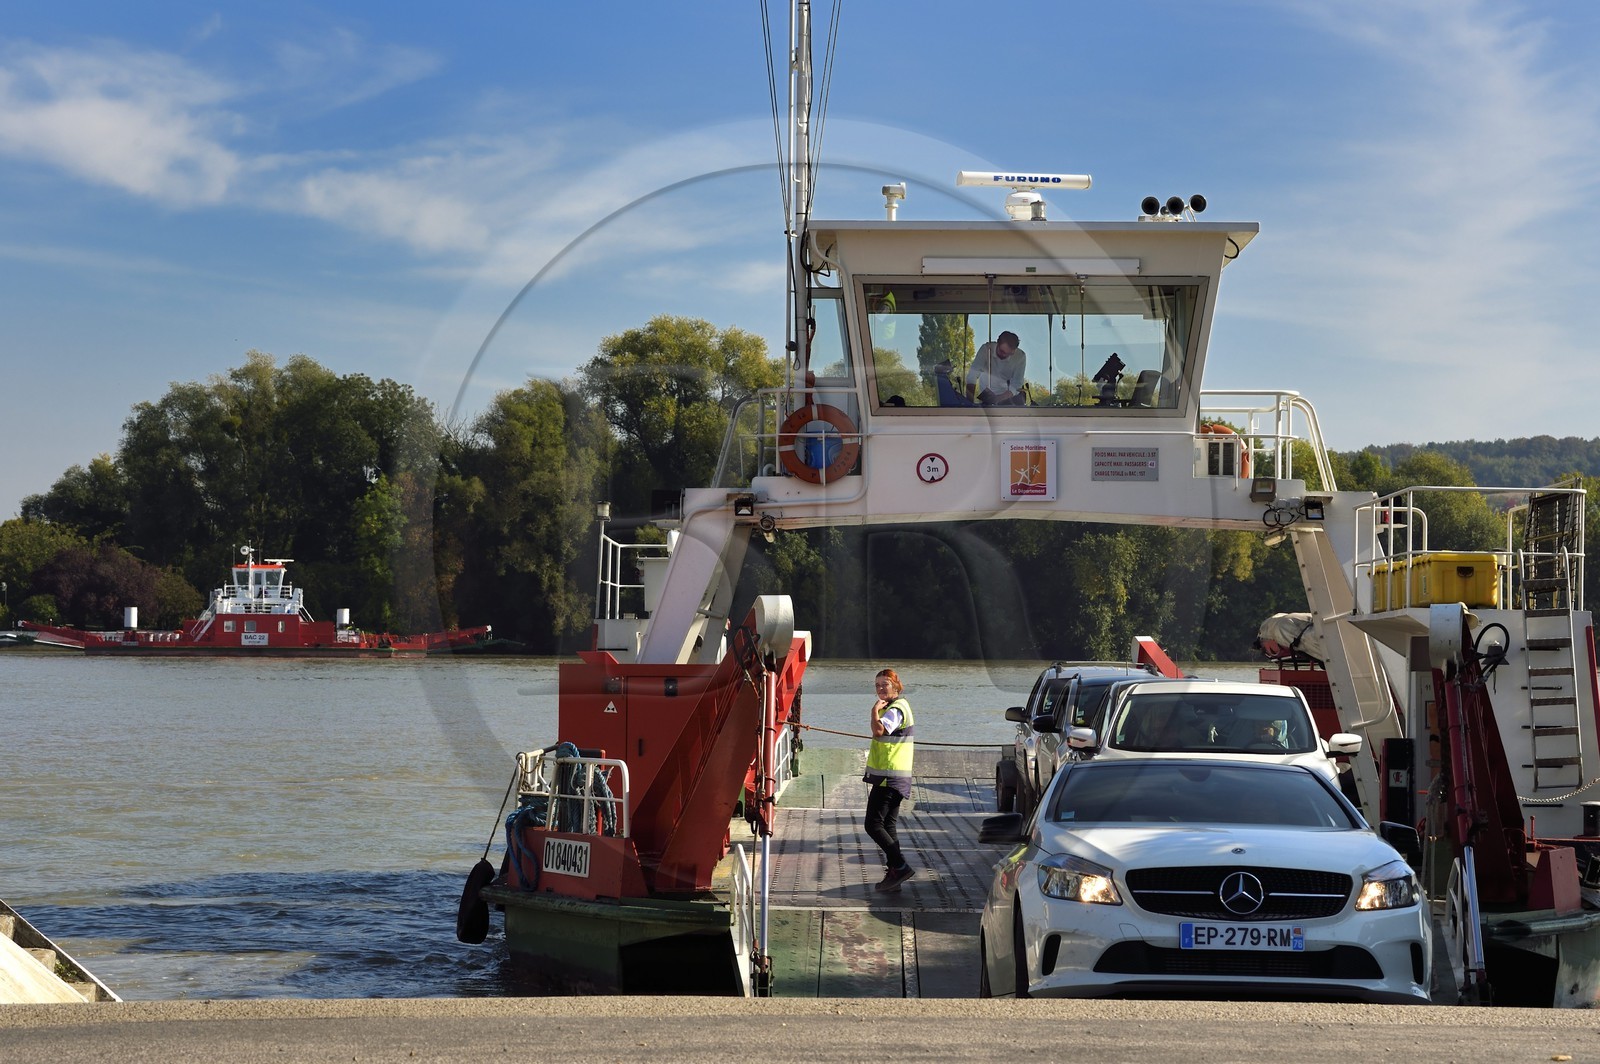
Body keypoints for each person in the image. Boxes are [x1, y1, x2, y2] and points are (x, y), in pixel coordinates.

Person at [863, 667, 916, 891]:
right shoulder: (896, 707)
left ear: (896, 686)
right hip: (894, 776)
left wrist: (874, 711)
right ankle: (895, 874)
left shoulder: (896, 709)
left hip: (890, 777)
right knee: (888, 825)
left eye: (884, 684)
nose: (880, 689)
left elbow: (879, 731)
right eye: (877, 685)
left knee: (873, 824)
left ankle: (901, 866)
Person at [965, 331, 1027, 405]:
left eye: (1008, 354)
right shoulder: (986, 349)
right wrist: (969, 404)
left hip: (1008, 399)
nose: (1004, 355)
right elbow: (972, 376)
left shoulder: (1020, 357)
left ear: (1013, 352)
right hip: (987, 398)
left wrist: (999, 398)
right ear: (997, 342)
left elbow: (1017, 384)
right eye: (1001, 351)